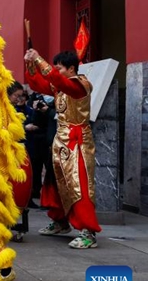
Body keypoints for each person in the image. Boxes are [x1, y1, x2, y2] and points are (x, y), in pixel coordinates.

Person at [24, 48, 101, 249]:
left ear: (71, 68)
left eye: (59, 68)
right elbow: (37, 83)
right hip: (61, 141)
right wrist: (30, 64)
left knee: (79, 185)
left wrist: (39, 58)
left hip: (78, 142)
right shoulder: (60, 87)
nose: (56, 72)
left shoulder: (81, 85)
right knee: (56, 182)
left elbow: (60, 82)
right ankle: (60, 221)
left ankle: (88, 231)